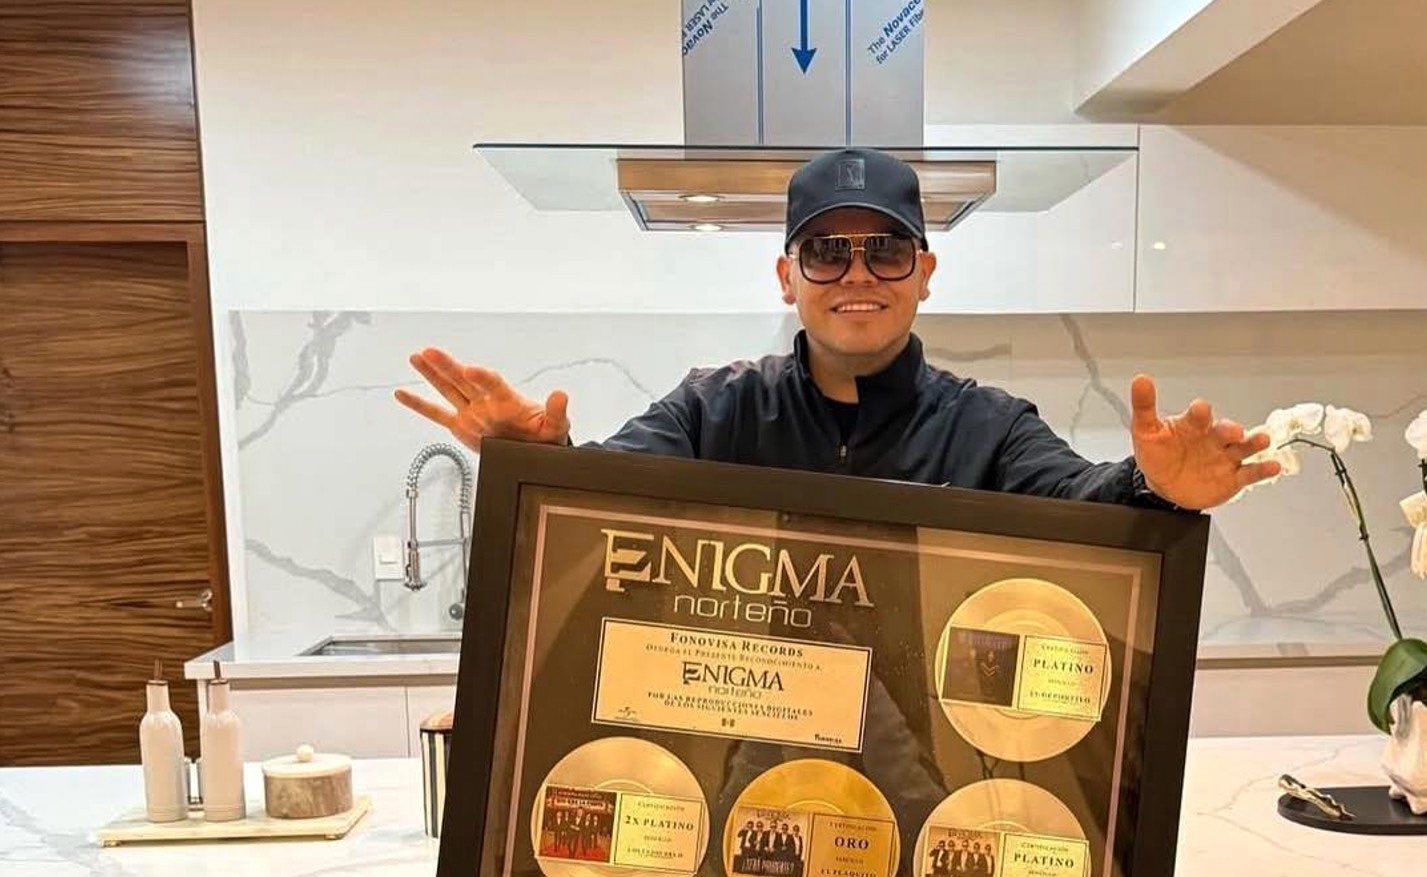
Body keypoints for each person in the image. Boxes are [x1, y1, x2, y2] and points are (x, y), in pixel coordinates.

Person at [396, 147, 1279, 510]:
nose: (856, 274)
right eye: (825, 251)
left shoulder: (991, 428)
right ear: (787, 277)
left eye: (885, 250)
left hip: (935, 788)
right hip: (735, 781)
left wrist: (1156, 487)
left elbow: (1085, 502)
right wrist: (541, 460)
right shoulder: (711, 410)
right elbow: (600, 499)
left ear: (924, 273)